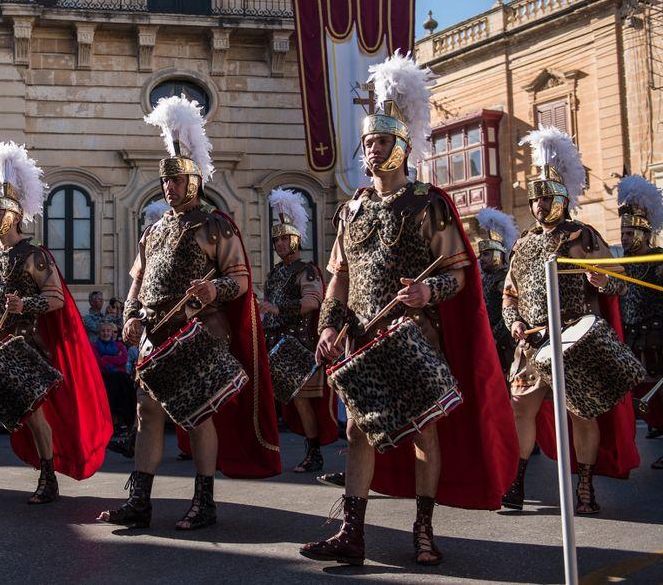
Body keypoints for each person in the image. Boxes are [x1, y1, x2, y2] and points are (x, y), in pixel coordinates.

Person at [300, 54, 517, 567]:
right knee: (357, 429)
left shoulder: (428, 202)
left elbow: (458, 273)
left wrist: (426, 294)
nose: (371, 150)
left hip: (414, 334)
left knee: (423, 429)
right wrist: (329, 325)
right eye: (368, 142)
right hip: (361, 336)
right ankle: (351, 533)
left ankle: (423, 529)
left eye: (380, 142)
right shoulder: (351, 207)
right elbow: (339, 275)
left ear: (401, 146)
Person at [98, 95, 281, 531]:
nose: (170, 188)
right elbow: (137, 283)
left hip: (199, 330)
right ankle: (139, 500)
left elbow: (239, 279)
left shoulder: (214, 225)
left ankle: (205, 500)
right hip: (155, 333)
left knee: (198, 413)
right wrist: (130, 315)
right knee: (147, 411)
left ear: (194, 182)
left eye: (178, 181)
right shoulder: (152, 230)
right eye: (166, 182)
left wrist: (211, 287)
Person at [0, 142, 112, 509]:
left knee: (32, 412)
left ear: (11, 217)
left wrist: (26, 303)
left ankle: (48, 476)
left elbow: (57, 298)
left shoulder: (34, 255)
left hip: (25, 346)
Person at [501, 126, 639, 514]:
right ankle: (517, 478)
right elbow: (509, 293)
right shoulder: (524, 242)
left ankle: (585, 485)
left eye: (546, 197)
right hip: (531, 342)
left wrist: (603, 280)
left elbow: (618, 285)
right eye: (534, 199)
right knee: (521, 408)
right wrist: (512, 320)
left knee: (581, 411)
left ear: (561, 198)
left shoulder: (584, 235)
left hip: (575, 340)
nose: (540, 205)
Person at [261, 188, 335, 474]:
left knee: (303, 402)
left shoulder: (307, 269)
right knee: (285, 402)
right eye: (276, 239)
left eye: (284, 238)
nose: (279, 243)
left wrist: (278, 309)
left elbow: (311, 302)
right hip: (276, 343)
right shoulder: (274, 273)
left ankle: (314, 452)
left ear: (295, 240)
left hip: (300, 346)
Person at [614, 175, 663, 462]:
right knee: (642, 389)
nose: (624, 239)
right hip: (632, 334)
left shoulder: (659, 259)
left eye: (630, 234)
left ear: (644, 233)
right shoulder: (622, 263)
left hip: (657, 334)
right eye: (623, 234)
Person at [476, 208, 519, 379]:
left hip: (504, 340)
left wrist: (495, 335)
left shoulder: (503, 278)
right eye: (481, 255)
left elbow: (509, 310)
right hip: (489, 337)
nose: (481, 258)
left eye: (486, 254)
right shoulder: (484, 278)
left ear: (497, 255)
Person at [94, 321, 136, 442]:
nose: (105, 333)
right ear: (98, 333)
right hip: (103, 378)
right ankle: (116, 423)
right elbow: (98, 362)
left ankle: (122, 422)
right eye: (103, 331)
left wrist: (106, 358)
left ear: (112, 333)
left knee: (120, 381)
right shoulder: (94, 346)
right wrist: (113, 359)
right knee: (117, 382)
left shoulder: (119, 345)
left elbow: (123, 359)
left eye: (108, 331)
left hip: (119, 379)